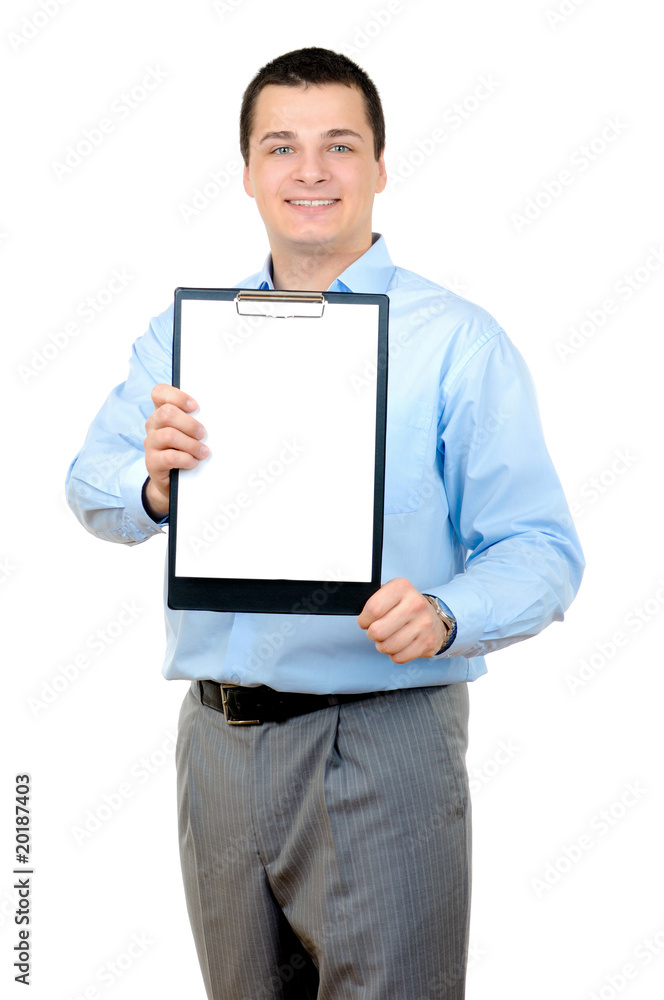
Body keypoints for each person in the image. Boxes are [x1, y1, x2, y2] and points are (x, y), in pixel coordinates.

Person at [66, 46, 584, 1000]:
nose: (311, 171)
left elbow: (542, 548)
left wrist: (447, 611)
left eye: (339, 145)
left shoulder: (455, 342)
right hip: (217, 747)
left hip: (383, 739)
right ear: (250, 174)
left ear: (380, 167)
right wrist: (152, 485)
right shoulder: (184, 339)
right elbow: (90, 482)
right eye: (282, 147)